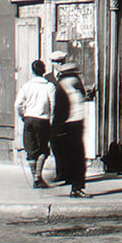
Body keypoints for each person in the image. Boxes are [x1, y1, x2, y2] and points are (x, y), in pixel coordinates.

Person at [50, 52, 92, 198]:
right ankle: (76, 187)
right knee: (77, 157)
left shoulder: (70, 88)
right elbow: (59, 111)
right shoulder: (65, 89)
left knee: (76, 157)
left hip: (74, 125)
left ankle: (75, 185)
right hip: (69, 126)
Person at [14, 60, 56, 188]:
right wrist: (51, 120)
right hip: (43, 120)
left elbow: (18, 104)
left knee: (31, 150)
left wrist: (23, 115)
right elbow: (53, 105)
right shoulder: (50, 86)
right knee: (43, 148)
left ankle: (35, 178)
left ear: (32, 71)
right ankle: (38, 176)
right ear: (44, 71)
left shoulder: (27, 86)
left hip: (29, 119)